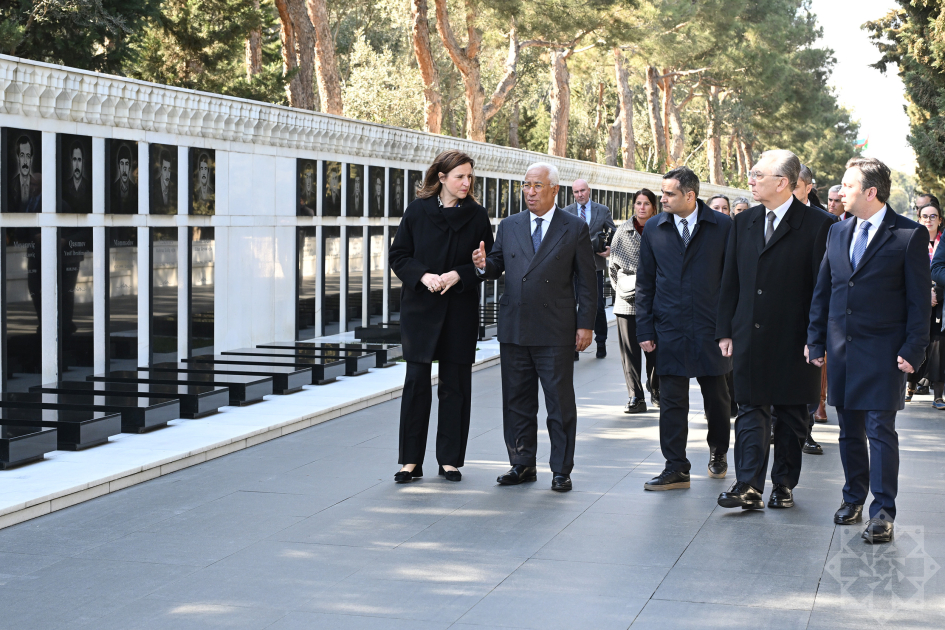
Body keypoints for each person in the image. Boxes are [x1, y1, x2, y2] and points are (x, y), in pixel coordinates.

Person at [808, 156, 930, 544]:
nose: (840, 191)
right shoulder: (837, 232)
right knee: (848, 430)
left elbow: (918, 302)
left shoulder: (908, 235)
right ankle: (853, 498)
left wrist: (915, 348)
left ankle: (882, 513)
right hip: (842, 351)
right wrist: (815, 339)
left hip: (884, 353)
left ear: (870, 192)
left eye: (848, 186)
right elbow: (824, 290)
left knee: (879, 431)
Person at [716, 149, 835, 511]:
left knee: (791, 413)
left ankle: (783, 484)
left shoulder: (819, 224)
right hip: (749, 334)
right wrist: (725, 329)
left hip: (796, 338)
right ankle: (748, 484)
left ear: (782, 182)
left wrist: (817, 338)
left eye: (758, 175)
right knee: (750, 408)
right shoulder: (743, 222)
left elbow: (823, 288)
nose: (750, 181)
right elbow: (730, 280)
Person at [473, 162, 597, 492]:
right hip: (515, 326)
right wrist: (483, 265)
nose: (530, 192)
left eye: (537, 186)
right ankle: (522, 463)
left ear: (554, 190)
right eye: (526, 185)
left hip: (555, 329)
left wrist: (585, 324)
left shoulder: (573, 227)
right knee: (517, 401)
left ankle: (561, 469)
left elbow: (587, 282)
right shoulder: (510, 225)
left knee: (559, 403)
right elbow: (497, 263)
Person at [388, 150, 494, 483]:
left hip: (459, 311)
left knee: (455, 386)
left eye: (469, 176)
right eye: (460, 176)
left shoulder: (477, 215)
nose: (466, 182)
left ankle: (449, 460)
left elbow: (488, 264)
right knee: (416, 384)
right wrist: (423, 276)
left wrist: (462, 272)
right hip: (420, 310)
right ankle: (410, 461)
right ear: (442, 177)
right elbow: (398, 256)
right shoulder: (417, 211)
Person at [636, 167, 733, 490]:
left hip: (711, 329)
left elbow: (733, 282)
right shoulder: (654, 228)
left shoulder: (722, 226)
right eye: (662, 192)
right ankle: (676, 467)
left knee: (717, 398)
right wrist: (644, 328)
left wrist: (728, 329)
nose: (662, 199)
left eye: (669, 194)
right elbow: (645, 282)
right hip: (669, 328)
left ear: (690, 196)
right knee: (672, 401)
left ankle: (718, 451)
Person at [610, 188, 659, 414]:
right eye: (638, 203)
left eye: (646, 203)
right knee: (629, 353)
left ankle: (656, 389)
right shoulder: (622, 231)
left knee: (655, 350)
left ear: (654, 207)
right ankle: (635, 396)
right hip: (627, 302)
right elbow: (613, 268)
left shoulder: (661, 228)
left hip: (656, 301)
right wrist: (625, 290)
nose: (642, 207)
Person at [563, 179, 616, 359]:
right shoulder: (566, 212)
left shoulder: (602, 210)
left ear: (589, 190)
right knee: (571, 306)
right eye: (576, 192)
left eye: (583, 190)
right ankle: (573, 346)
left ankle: (601, 342)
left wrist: (610, 249)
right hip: (571, 269)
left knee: (598, 307)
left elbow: (613, 233)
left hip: (595, 267)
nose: (580, 194)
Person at [906, 200, 945, 407]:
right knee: (916, 340)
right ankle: (910, 386)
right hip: (917, 298)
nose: (929, 220)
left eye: (933, 216)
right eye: (924, 216)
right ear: (919, 219)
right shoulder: (912, 239)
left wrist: (936, 292)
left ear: (940, 220)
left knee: (938, 345)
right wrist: (924, 292)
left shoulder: (942, 240)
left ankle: (938, 395)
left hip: (940, 299)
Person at [62, 141, 91, 213]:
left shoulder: (89, 186)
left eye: (79, 160)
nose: (77, 165)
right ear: (71, 161)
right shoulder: (65, 186)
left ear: (83, 162)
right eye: (74, 159)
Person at [110, 144, 137, 214]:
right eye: (122, 164)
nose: (124, 169)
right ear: (118, 166)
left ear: (130, 166)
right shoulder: (112, 188)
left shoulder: (134, 188)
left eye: (126, 164)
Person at [150, 148, 175, 214]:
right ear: (160, 169)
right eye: (165, 169)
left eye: (169, 170)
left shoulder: (173, 187)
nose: (167, 174)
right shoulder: (154, 186)